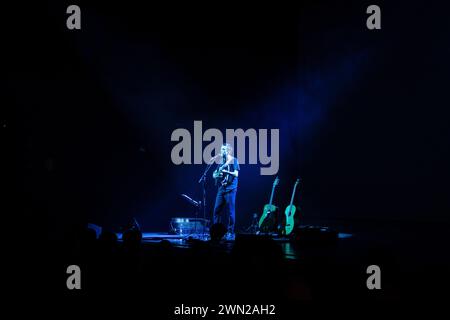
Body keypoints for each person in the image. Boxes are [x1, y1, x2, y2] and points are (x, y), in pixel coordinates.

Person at [212, 143, 240, 239]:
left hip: (231, 188)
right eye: (221, 149)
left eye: (223, 149)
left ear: (228, 150)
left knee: (230, 212)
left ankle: (230, 232)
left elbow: (236, 174)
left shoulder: (233, 160)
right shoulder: (221, 162)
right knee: (216, 210)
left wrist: (225, 171)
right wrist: (215, 175)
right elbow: (215, 173)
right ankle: (216, 231)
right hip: (221, 189)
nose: (221, 151)